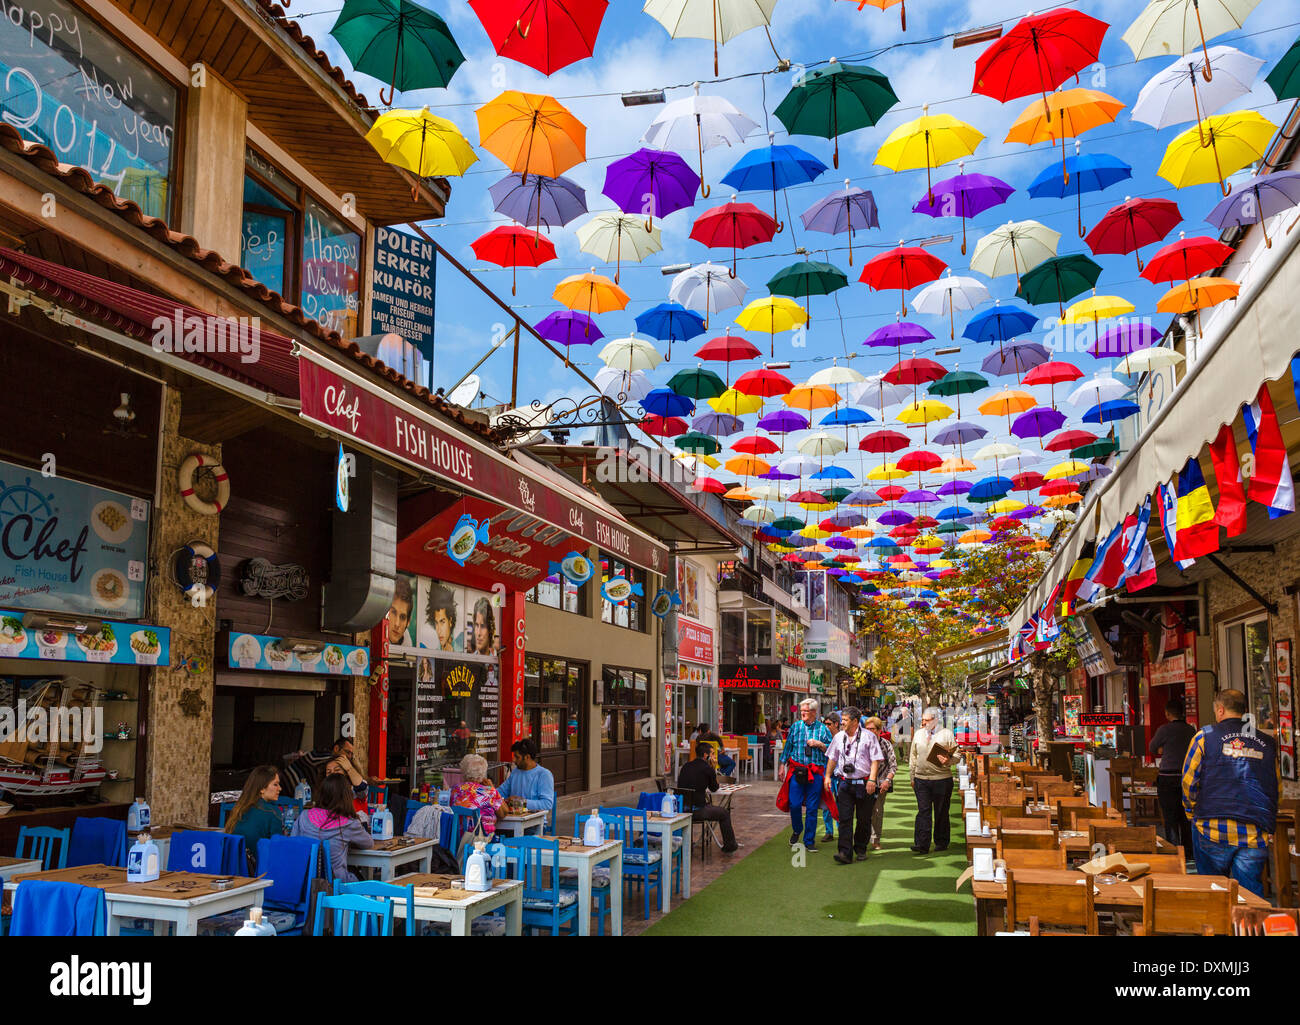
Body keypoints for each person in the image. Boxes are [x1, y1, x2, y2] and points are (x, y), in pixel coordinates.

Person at [1181, 689, 1282, 897]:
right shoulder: (1267, 743)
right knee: (1249, 895)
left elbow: (1189, 782)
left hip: (1211, 827)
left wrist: (1191, 813)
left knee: (1212, 891)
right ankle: (1247, 928)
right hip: (1254, 831)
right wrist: (1268, 820)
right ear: (1244, 711)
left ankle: (1217, 928)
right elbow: (1276, 787)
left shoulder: (1204, 737)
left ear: (1220, 710)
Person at [290, 773, 374, 882]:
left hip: (303, 881)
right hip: (335, 884)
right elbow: (368, 843)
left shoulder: (304, 816)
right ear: (347, 796)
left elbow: (292, 842)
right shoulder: (349, 823)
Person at [825, 706, 882, 864]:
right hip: (845, 783)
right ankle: (844, 852)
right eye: (841, 719)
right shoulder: (838, 737)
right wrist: (828, 776)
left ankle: (861, 848)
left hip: (864, 783)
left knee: (863, 819)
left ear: (855, 721)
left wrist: (872, 779)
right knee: (845, 819)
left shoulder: (869, 737)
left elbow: (875, 760)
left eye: (845, 720)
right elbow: (832, 757)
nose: (842, 723)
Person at [780, 698, 834, 851]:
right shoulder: (796, 727)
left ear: (814, 712)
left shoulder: (823, 729)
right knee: (794, 804)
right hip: (797, 771)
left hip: (815, 773)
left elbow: (832, 750)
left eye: (805, 711)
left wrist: (820, 744)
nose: (802, 713)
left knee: (811, 807)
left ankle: (809, 840)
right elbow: (788, 747)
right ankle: (797, 829)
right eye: (801, 710)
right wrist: (781, 765)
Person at [1148, 695, 1197, 855]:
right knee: (1186, 815)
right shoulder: (1191, 730)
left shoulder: (1164, 729)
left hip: (1167, 777)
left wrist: (1163, 749)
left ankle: (1173, 850)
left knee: (1170, 816)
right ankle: (1189, 851)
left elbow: (1152, 747)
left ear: (1168, 714)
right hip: (1186, 777)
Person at [675, 742, 740, 853]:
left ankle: (687, 844)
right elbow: (714, 788)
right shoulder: (707, 768)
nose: (715, 756)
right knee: (724, 813)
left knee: (710, 807)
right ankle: (730, 845)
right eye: (713, 754)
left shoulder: (686, 766)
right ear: (706, 755)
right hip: (698, 811)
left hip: (682, 809)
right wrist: (713, 767)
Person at [908, 707, 956, 854]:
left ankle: (941, 842)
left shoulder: (946, 734)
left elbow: (957, 755)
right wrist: (912, 776)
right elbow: (913, 756)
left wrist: (948, 760)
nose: (923, 723)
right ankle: (922, 844)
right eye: (922, 720)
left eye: (927, 720)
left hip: (942, 779)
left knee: (941, 811)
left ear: (936, 720)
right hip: (921, 779)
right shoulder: (918, 734)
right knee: (923, 811)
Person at [224, 765, 285, 872]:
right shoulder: (272, 812)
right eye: (275, 784)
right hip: (258, 873)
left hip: (234, 870)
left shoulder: (238, 809)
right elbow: (277, 851)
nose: (279, 788)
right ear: (261, 788)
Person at [449, 754, 505, 837]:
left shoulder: (455, 790)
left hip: (459, 840)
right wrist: (493, 787)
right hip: (484, 841)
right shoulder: (489, 791)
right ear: (483, 773)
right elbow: (503, 814)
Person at [497, 738, 556, 815]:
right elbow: (501, 791)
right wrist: (489, 791)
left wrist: (520, 803)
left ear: (527, 757)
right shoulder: (516, 772)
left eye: (517, 757)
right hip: (514, 819)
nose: (513, 760)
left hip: (535, 823)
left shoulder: (544, 774)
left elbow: (547, 804)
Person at [863, 717, 896, 850]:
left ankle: (875, 839)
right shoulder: (861, 743)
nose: (870, 732)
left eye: (873, 729)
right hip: (863, 783)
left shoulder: (886, 744)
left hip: (880, 784)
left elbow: (893, 765)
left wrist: (887, 781)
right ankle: (863, 839)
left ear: (879, 730)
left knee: (877, 812)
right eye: (868, 729)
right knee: (864, 812)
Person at [821, 711, 842, 843]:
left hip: (839, 775)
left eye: (829, 724)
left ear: (836, 724)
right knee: (826, 804)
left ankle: (841, 830)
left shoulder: (842, 737)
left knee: (841, 803)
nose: (826, 727)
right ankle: (829, 831)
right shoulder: (823, 736)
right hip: (827, 774)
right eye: (825, 724)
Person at [428, 583, 458, 652]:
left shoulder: (461, 649)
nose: (439, 630)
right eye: (436, 623)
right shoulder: (433, 652)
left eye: (442, 622)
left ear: (450, 621)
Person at [386, 576, 413, 646]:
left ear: (408, 622)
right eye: (393, 612)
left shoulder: (409, 645)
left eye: (402, 617)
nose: (397, 624)